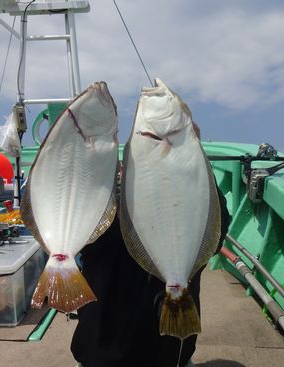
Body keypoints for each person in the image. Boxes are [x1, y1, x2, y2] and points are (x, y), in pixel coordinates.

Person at [71, 124, 230, 367]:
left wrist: (194, 158)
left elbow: (217, 228)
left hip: (165, 355)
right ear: (122, 172)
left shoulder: (191, 210)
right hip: (103, 356)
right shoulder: (103, 212)